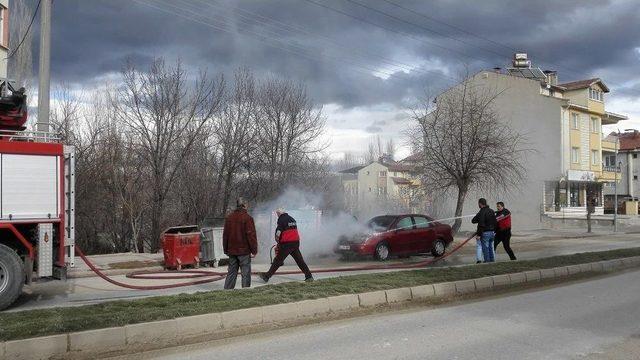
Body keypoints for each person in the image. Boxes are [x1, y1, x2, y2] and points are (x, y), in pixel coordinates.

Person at [259, 208, 314, 283]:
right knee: (299, 260)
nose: (277, 215)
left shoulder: (281, 219)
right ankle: (309, 276)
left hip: (287, 243)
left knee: (278, 260)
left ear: (279, 213)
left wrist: (278, 241)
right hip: (295, 242)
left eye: (277, 214)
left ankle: (266, 276)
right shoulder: (292, 219)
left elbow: (278, 232)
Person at [222, 197, 258, 289]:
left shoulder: (229, 218)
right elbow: (251, 235)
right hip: (244, 251)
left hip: (232, 250)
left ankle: (227, 291)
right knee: (245, 273)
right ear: (244, 205)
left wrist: (226, 249)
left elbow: (225, 235)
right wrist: (254, 250)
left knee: (231, 273)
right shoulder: (248, 218)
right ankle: (245, 291)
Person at [471, 198, 497, 263]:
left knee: (485, 248)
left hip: (485, 232)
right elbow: (495, 222)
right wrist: (494, 231)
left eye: (478, 204)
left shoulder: (482, 212)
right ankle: (492, 260)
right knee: (491, 247)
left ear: (480, 203)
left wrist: (479, 234)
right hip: (492, 232)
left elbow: (480, 224)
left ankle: (487, 261)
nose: (478, 205)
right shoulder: (491, 211)